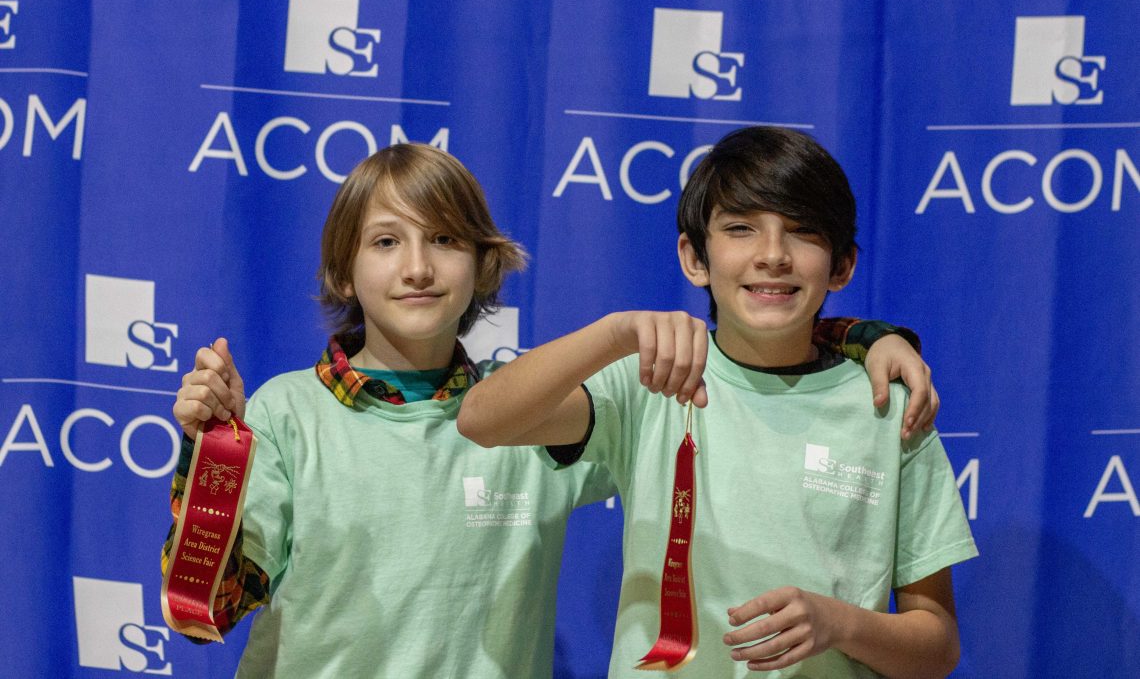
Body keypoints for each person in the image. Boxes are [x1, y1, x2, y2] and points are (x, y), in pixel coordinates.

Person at [163, 142, 942, 678]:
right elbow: (208, 611)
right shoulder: (287, 411)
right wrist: (207, 460)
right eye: (386, 242)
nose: (418, 267)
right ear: (343, 268)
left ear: (484, 265)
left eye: (445, 239)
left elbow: (758, 351)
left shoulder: (537, 410)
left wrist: (861, 336)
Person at [458, 127, 978, 678]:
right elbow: (481, 420)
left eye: (802, 231)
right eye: (740, 229)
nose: (772, 255)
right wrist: (614, 333)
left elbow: (937, 647)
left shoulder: (890, 406)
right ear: (694, 257)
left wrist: (842, 624)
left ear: (842, 265)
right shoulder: (650, 381)